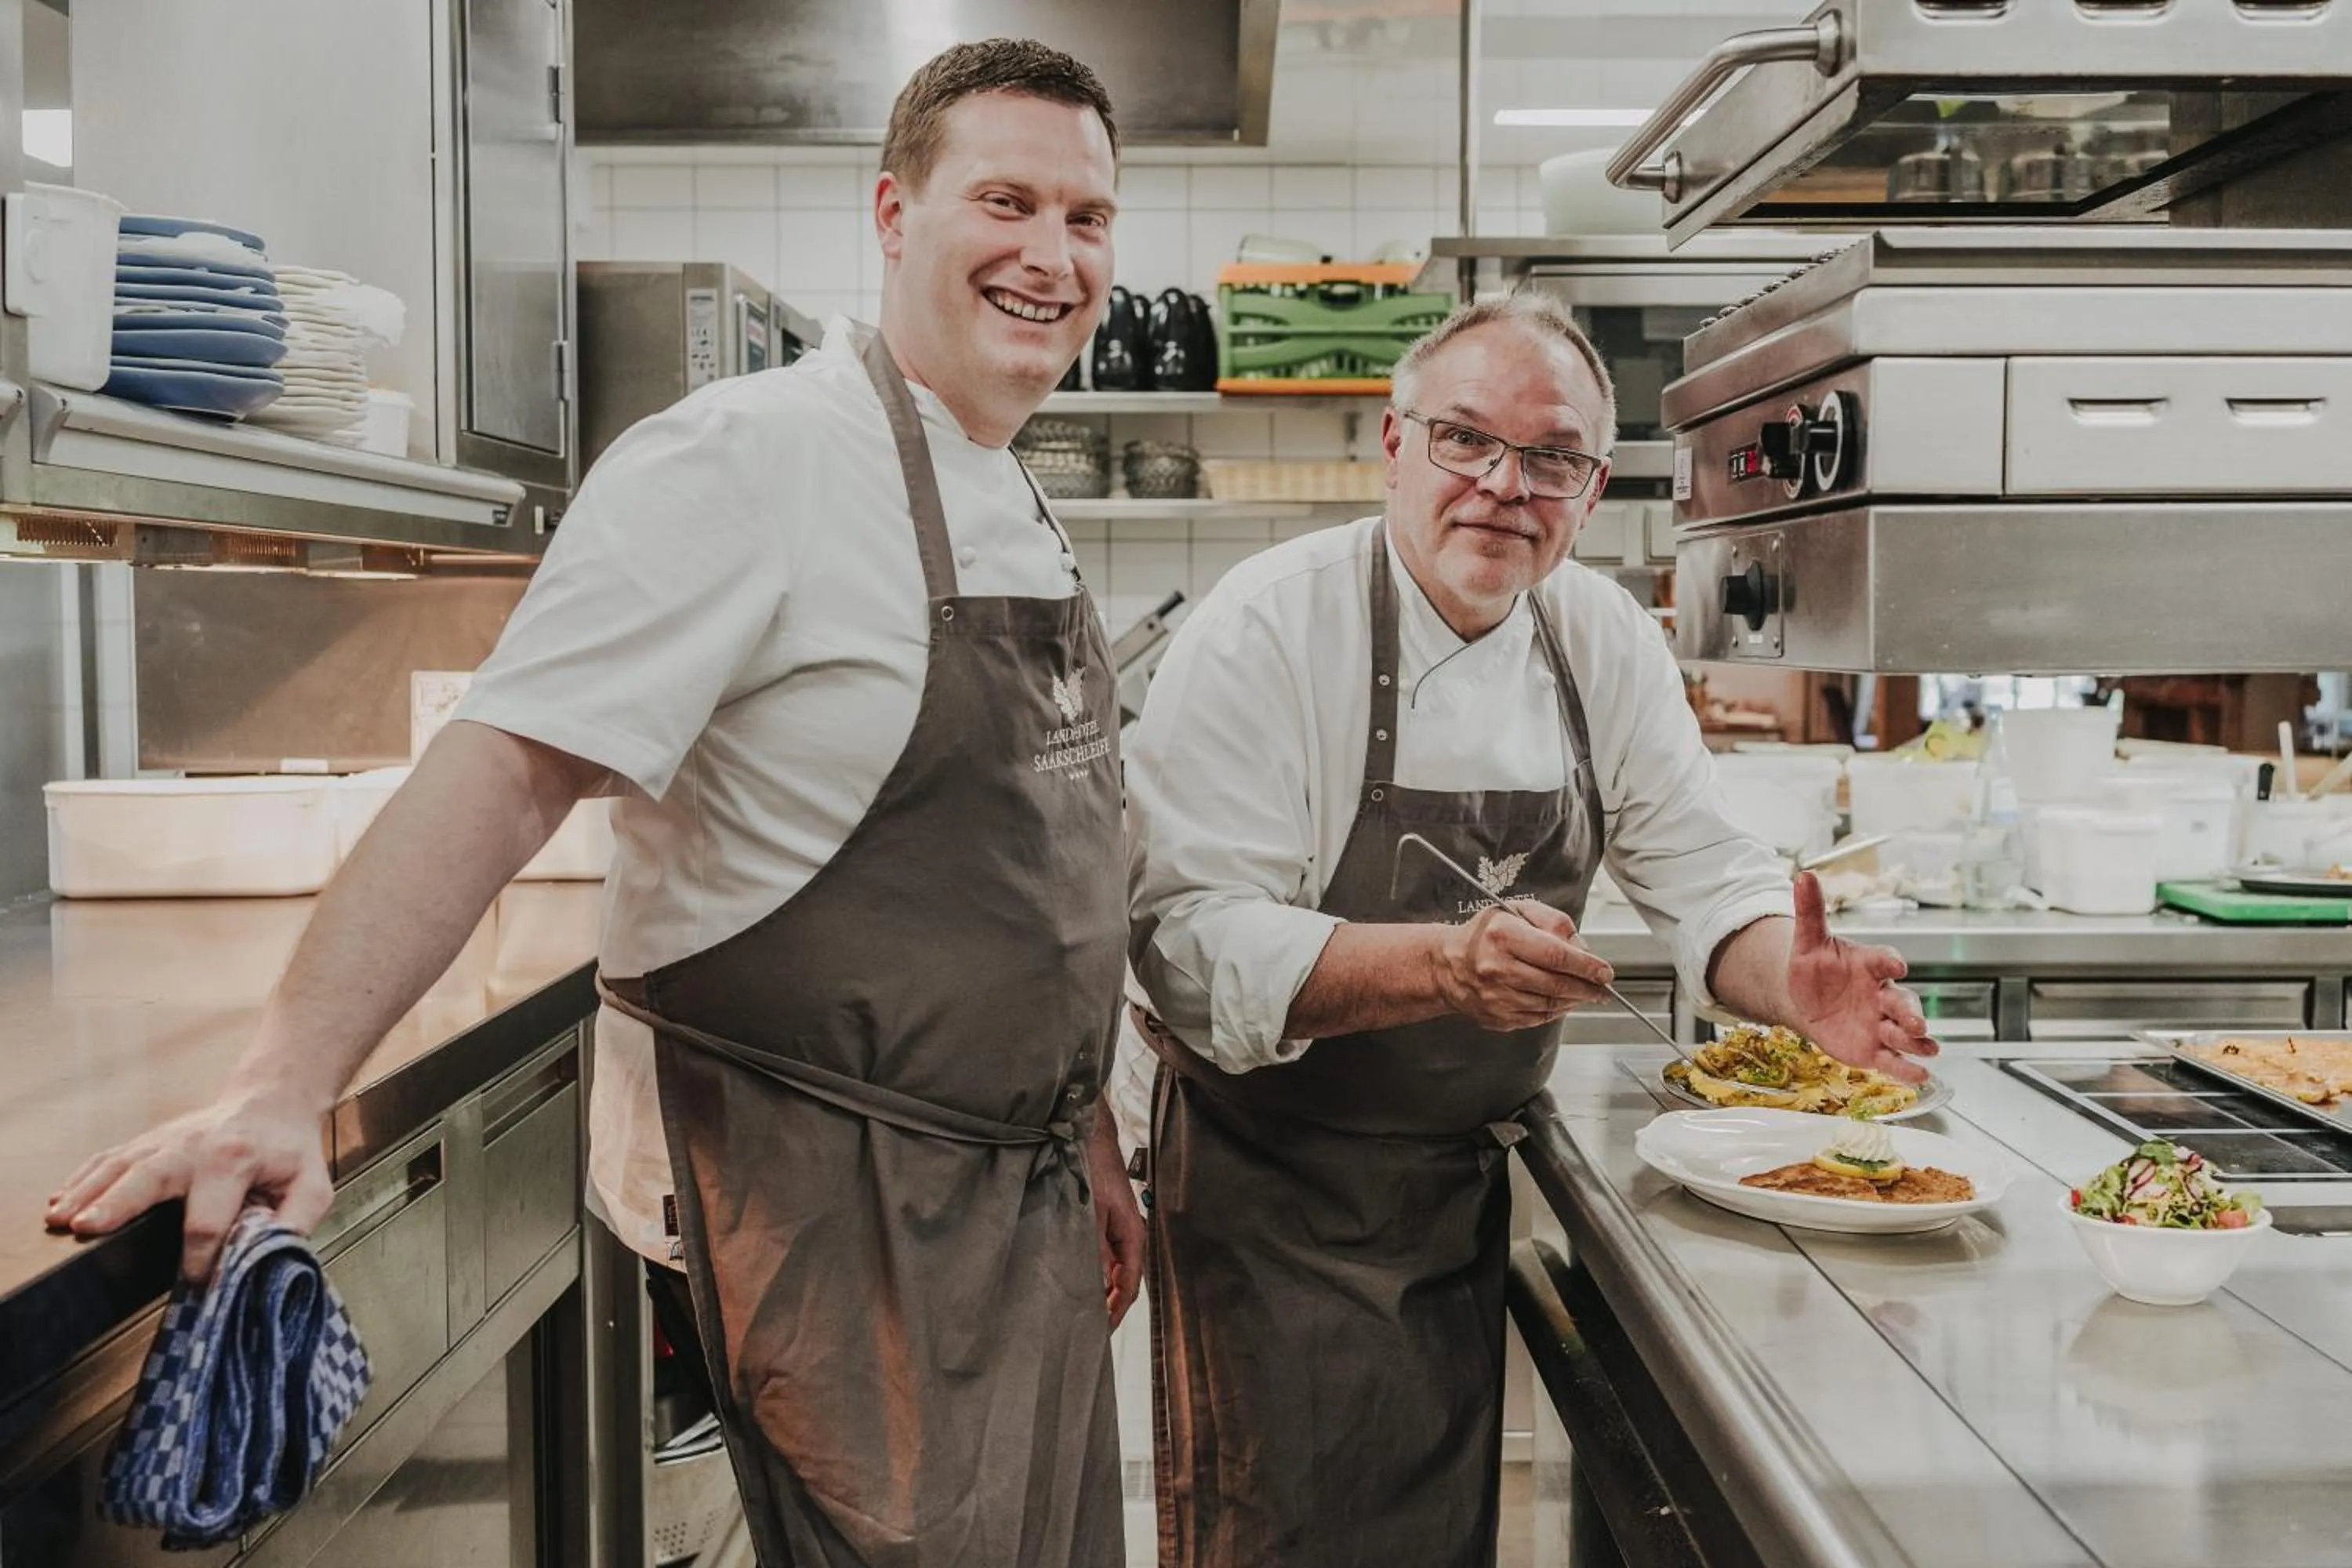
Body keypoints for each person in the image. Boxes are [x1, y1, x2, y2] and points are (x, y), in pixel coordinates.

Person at [49, 38, 1142, 1568]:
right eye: (1008, 200)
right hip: (850, 1226)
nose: (1053, 254)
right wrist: (284, 1083)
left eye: (1088, 217)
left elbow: (1040, 886)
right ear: (894, 214)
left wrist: (1082, 1119)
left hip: (1012, 1204)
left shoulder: (1013, 487)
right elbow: (505, 770)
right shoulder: (744, 462)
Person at [1118, 292, 1937, 1568]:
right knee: (1279, 1530)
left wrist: (1791, 983)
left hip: (1454, 1180)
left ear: (1594, 487)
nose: (1505, 486)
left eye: (1551, 457)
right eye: (1465, 441)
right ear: (1392, 446)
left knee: (1437, 1531)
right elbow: (1190, 946)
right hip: (1270, 1185)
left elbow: (1703, 869)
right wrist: (1443, 966)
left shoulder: (1597, 633)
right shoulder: (1271, 626)